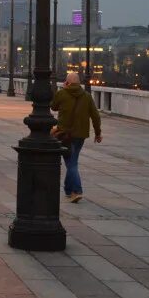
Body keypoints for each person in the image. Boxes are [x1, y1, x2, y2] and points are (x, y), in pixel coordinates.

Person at [51, 72, 102, 203]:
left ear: (67, 82)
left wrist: (63, 89)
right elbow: (95, 116)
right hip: (81, 135)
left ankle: (77, 191)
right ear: (79, 83)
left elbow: (53, 106)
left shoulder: (62, 93)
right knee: (73, 161)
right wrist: (98, 133)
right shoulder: (87, 96)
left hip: (65, 135)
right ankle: (68, 190)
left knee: (71, 163)